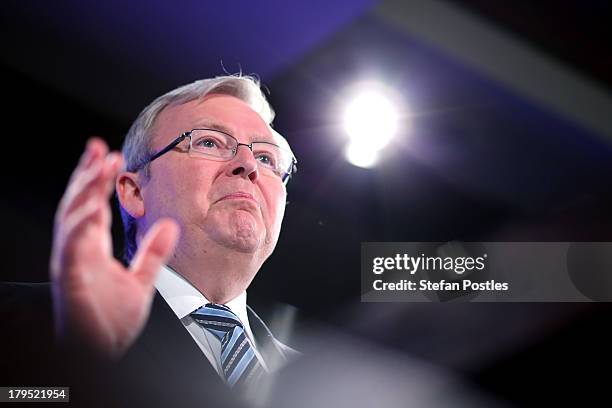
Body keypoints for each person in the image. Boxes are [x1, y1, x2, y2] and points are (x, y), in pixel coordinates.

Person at [1, 75, 298, 406]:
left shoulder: (313, 376)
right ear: (134, 191)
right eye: (209, 142)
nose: (247, 165)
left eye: (266, 159)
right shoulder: (23, 320)